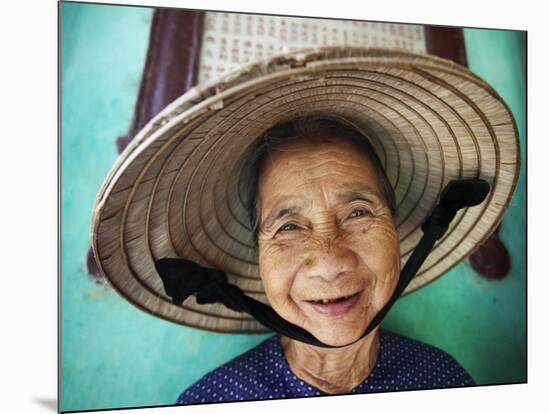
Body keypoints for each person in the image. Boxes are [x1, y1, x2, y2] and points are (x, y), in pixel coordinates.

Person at [91, 47, 520, 405]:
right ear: (259, 258)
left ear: (397, 233)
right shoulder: (212, 401)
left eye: (358, 213)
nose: (330, 262)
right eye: (289, 228)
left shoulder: (445, 384)